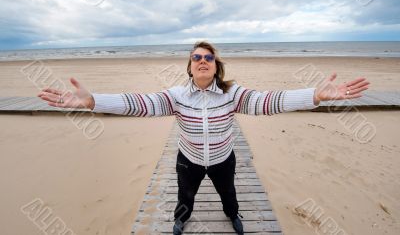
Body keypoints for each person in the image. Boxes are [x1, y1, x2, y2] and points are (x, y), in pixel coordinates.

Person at [38, 41, 370, 235]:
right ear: (189, 66)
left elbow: (269, 101)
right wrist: (93, 101)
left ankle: (233, 215)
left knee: (229, 193)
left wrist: (314, 95)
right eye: (196, 57)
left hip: (224, 158)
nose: (202, 60)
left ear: (216, 66)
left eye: (208, 57)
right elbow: (140, 103)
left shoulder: (232, 94)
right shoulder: (177, 96)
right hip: (188, 159)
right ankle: (180, 221)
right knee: (186, 195)